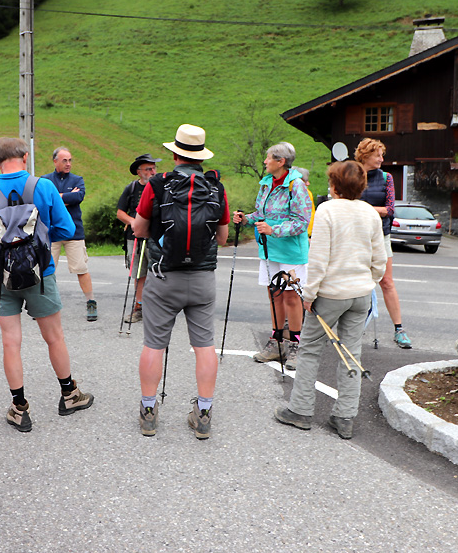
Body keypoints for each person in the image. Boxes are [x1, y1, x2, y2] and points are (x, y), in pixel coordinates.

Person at [0, 137, 94, 433]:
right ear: (25, 157)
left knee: (11, 342)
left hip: (3, 277)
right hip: (42, 275)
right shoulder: (44, 187)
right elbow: (67, 228)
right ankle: (69, 395)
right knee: (54, 337)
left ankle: (19, 407)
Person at [273, 160, 386, 439]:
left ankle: (300, 411)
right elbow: (379, 260)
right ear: (361, 186)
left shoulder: (326, 210)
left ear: (334, 186)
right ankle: (345, 417)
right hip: (360, 294)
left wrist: (309, 296)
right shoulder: (370, 213)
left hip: (330, 294)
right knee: (351, 354)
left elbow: (319, 259)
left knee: (310, 350)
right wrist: (367, 282)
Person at [132, 124, 229, 439]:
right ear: (201, 156)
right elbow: (223, 238)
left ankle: (149, 411)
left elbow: (140, 230)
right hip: (202, 278)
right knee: (204, 346)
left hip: (163, 277)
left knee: (153, 345)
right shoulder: (217, 188)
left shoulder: (157, 185)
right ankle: (203, 413)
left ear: (174, 153)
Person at [232, 142, 313, 371]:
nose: (265, 162)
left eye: (268, 158)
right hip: (269, 250)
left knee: (290, 297)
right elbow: (261, 213)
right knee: (274, 295)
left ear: (281, 162)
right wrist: (246, 218)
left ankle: (295, 345)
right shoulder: (266, 183)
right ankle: (276, 343)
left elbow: (302, 222)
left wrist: (273, 230)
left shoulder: (296, 186)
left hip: (291, 252)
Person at [355, 138, 411, 349]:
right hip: (356, 236)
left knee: (386, 282)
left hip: (381, 236)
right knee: (355, 281)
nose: (381, 158)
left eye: (382, 154)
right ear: (365, 155)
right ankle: (350, 328)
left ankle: (399, 329)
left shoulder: (386, 177)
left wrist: (363, 208)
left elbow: (390, 209)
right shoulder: (352, 175)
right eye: (378, 154)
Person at [42, 147, 97, 322]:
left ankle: (91, 302)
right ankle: (43, 303)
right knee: (47, 269)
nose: (68, 164)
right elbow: (45, 201)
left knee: (81, 268)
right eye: (64, 160)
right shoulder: (45, 181)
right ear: (55, 161)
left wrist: (58, 198)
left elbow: (78, 197)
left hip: (74, 231)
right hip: (51, 232)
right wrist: (66, 197)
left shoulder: (77, 180)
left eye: (70, 160)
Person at [116, 153, 161, 323]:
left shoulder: (159, 187)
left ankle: (157, 308)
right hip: (134, 237)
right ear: (139, 171)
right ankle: (139, 307)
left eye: (154, 168)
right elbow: (120, 212)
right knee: (139, 274)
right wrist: (133, 222)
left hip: (155, 237)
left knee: (157, 272)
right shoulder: (132, 188)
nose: (153, 172)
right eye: (149, 169)